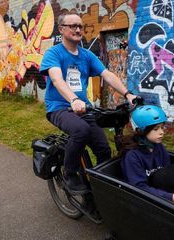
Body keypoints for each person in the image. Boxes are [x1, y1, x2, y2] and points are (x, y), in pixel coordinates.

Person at [39, 13, 136, 195]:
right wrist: (73, 99)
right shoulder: (54, 53)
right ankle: (69, 174)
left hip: (84, 108)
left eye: (80, 26)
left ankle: (100, 188)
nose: (78, 30)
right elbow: (57, 79)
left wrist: (128, 94)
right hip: (59, 108)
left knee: (103, 149)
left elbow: (107, 74)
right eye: (73, 26)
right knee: (80, 130)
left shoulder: (86, 55)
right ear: (61, 29)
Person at [120, 105, 174, 208]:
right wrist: (171, 198)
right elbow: (139, 187)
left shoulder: (158, 147)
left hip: (159, 191)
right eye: (156, 129)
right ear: (141, 131)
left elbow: (167, 173)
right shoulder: (132, 156)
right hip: (143, 200)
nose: (162, 132)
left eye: (162, 127)